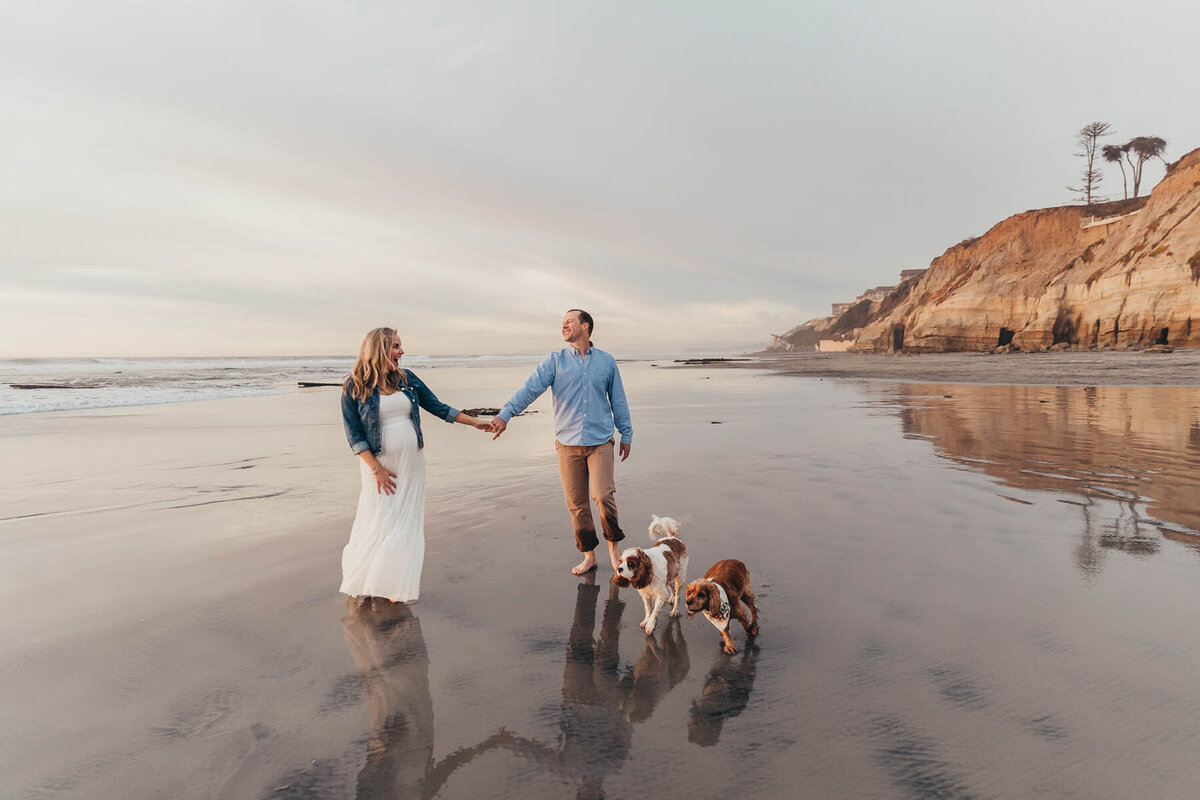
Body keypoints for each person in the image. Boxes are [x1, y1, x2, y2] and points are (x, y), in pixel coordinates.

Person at [340, 327, 490, 603]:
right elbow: (354, 435)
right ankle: (368, 578)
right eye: (396, 346)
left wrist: (476, 422)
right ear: (380, 350)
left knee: (405, 520)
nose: (402, 351)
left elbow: (439, 407)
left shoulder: (407, 380)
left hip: (411, 463)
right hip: (379, 465)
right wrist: (377, 469)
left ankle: (394, 582)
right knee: (379, 517)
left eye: (400, 346)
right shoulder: (354, 386)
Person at [489, 309, 633, 575]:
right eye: (562, 323)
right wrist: (505, 414)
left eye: (569, 321)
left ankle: (614, 549)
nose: (563, 326)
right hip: (567, 443)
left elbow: (618, 399)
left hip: (600, 440)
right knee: (577, 504)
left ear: (585, 326)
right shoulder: (554, 361)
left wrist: (626, 433)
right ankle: (589, 556)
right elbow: (529, 389)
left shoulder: (606, 361)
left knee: (602, 494)